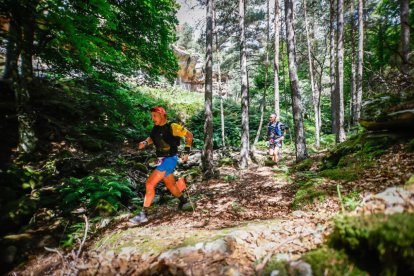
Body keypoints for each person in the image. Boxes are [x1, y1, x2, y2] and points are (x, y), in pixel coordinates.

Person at [129, 106, 193, 224]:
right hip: (161, 159)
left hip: (169, 159)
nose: (152, 118)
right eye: (152, 116)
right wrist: (144, 142)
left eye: (154, 116)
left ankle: (144, 214)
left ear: (162, 115)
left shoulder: (173, 127)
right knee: (170, 184)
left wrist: (186, 151)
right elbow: (152, 138)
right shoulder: (155, 128)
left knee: (149, 183)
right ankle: (184, 201)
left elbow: (189, 135)